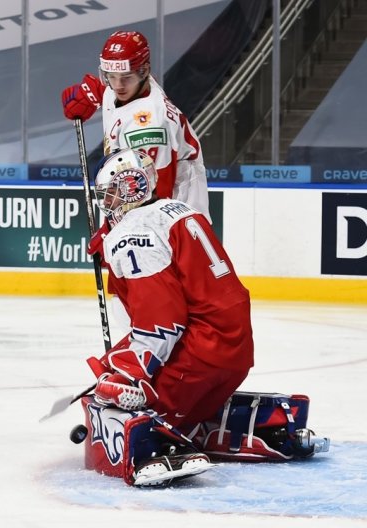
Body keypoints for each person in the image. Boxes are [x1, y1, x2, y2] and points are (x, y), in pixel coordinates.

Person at [83, 148, 253, 485]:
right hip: (231, 347)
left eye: (112, 193)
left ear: (132, 187)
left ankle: (161, 440)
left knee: (110, 389)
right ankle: (203, 419)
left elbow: (161, 323)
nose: (108, 202)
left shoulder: (134, 232)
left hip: (203, 353)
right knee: (110, 363)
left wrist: (131, 375)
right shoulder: (176, 209)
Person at [61, 30, 210, 222]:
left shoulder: (150, 128)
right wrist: (90, 93)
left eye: (126, 77)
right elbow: (111, 87)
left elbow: (155, 198)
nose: (118, 85)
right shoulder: (135, 84)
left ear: (144, 71)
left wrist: (112, 231)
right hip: (140, 209)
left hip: (173, 225)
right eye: (110, 76)